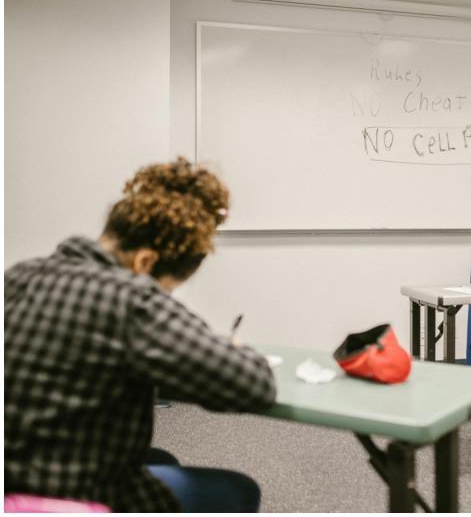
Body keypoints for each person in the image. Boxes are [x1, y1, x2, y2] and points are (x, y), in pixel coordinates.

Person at [5, 158, 277, 512]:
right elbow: (253, 384)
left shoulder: (21, 275)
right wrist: (235, 349)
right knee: (236, 491)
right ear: (145, 262)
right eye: (167, 289)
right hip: (66, 491)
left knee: (160, 457)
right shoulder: (130, 299)